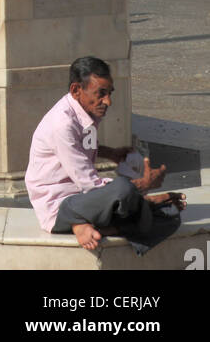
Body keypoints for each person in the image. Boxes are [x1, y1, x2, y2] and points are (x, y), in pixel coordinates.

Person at [26, 56, 186, 256]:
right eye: (101, 94)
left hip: (87, 202)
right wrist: (142, 186)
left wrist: (110, 153)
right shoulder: (62, 124)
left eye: (109, 93)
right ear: (76, 90)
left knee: (171, 216)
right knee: (123, 188)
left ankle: (94, 227)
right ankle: (84, 220)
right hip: (61, 206)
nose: (108, 101)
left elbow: (79, 148)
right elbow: (89, 183)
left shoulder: (87, 112)